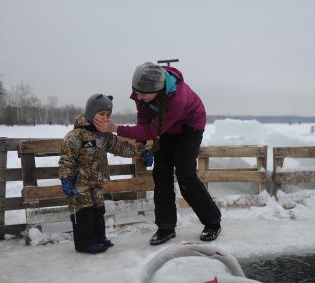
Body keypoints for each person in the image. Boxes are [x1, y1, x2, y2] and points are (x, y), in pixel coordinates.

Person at [94, 62, 222, 245]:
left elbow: (152, 130)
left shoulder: (178, 97)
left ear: (158, 90)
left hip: (189, 128)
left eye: (143, 95)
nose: (138, 97)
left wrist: (116, 128)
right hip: (167, 129)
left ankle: (212, 222)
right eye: (136, 92)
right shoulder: (143, 91)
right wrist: (141, 142)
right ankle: (166, 227)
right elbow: (144, 118)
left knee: (185, 175)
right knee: (161, 173)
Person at [59, 93, 140, 254]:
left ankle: (99, 238)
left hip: (96, 180)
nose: (105, 118)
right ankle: (85, 243)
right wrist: (65, 179)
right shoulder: (76, 136)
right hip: (79, 182)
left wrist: (139, 152)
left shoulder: (104, 135)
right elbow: (66, 159)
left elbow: (120, 147)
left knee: (98, 209)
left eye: (107, 115)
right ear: (90, 113)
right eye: (101, 114)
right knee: (84, 210)